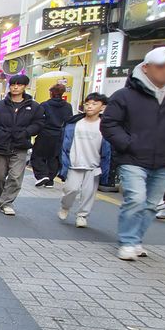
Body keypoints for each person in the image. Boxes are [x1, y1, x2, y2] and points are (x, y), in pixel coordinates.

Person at [101, 46, 165, 261]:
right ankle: (127, 241)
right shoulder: (125, 95)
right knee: (136, 198)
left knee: (150, 204)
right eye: (160, 66)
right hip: (133, 157)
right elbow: (109, 123)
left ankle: (136, 240)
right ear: (146, 68)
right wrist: (127, 144)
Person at [0, 73, 44, 216]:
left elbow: (39, 123)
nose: (16, 87)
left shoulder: (34, 107)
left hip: (20, 146)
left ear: (25, 87)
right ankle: (1, 198)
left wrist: (26, 132)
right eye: (13, 84)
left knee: (15, 177)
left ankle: (6, 202)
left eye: (19, 84)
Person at [57, 93, 112, 228]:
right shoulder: (74, 123)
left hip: (94, 165)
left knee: (88, 193)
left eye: (94, 104)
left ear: (102, 107)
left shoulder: (106, 126)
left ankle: (82, 216)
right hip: (74, 163)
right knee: (70, 189)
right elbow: (65, 144)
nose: (89, 107)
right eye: (87, 104)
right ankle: (65, 206)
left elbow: (108, 148)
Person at [32, 81, 74, 187]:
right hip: (60, 135)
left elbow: (39, 119)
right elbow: (69, 120)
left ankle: (42, 175)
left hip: (45, 134)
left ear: (51, 93)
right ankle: (50, 179)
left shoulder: (45, 105)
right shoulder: (68, 106)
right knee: (54, 157)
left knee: (37, 156)